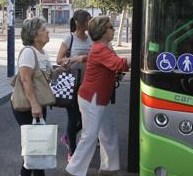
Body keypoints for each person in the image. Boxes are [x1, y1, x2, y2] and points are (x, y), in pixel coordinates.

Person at [64, 16, 129, 176]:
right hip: (92, 98)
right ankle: (73, 171)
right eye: (110, 27)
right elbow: (118, 64)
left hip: (98, 98)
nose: (113, 29)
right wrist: (144, 57)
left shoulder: (102, 47)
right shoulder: (101, 48)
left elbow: (110, 63)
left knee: (108, 132)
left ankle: (109, 168)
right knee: (90, 136)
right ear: (102, 31)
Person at [13, 17, 68, 176]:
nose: (47, 31)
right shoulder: (29, 53)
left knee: (37, 146)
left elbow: (45, 78)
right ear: (34, 35)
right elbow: (25, 80)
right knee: (34, 147)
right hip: (27, 106)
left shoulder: (42, 52)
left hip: (38, 103)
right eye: (44, 29)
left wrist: (59, 70)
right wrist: (35, 105)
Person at [56, 10, 92, 161]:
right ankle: (72, 150)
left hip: (88, 84)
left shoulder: (91, 38)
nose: (89, 24)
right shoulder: (69, 38)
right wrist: (75, 60)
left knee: (86, 119)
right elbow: (59, 59)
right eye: (87, 21)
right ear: (79, 22)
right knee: (73, 118)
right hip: (71, 83)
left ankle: (66, 137)